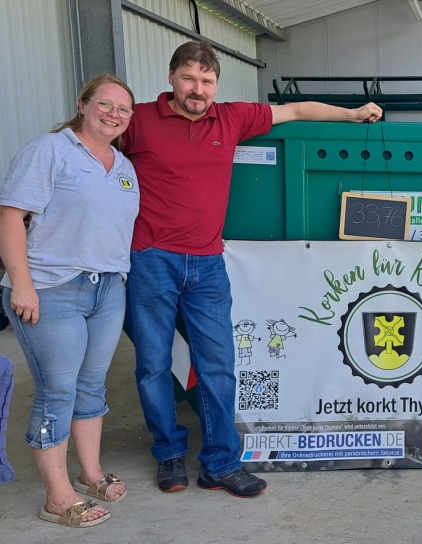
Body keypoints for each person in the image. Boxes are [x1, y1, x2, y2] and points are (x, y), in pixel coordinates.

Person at [122, 41, 382, 498]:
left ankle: (220, 463)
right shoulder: (139, 120)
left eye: (206, 81)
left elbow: (297, 109)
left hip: (207, 263)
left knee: (219, 365)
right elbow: (91, 143)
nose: (197, 89)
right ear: (171, 78)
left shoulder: (233, 117)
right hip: (151, 259)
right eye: (189, 78)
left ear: (216, 85)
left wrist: (353, 113)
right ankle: (169, 454)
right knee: (152, 365)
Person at [0, 74, 139, 527]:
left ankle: (89, 473)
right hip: (52, 288)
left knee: (91, 385)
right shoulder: (51, 150)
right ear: (83, 104)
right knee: (57, 390)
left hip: (107, 289)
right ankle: (57, 498)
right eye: (105, 104)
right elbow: (11, 216)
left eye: (124, 109)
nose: (114, 114)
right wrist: (22, 283)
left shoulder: (123, 166)